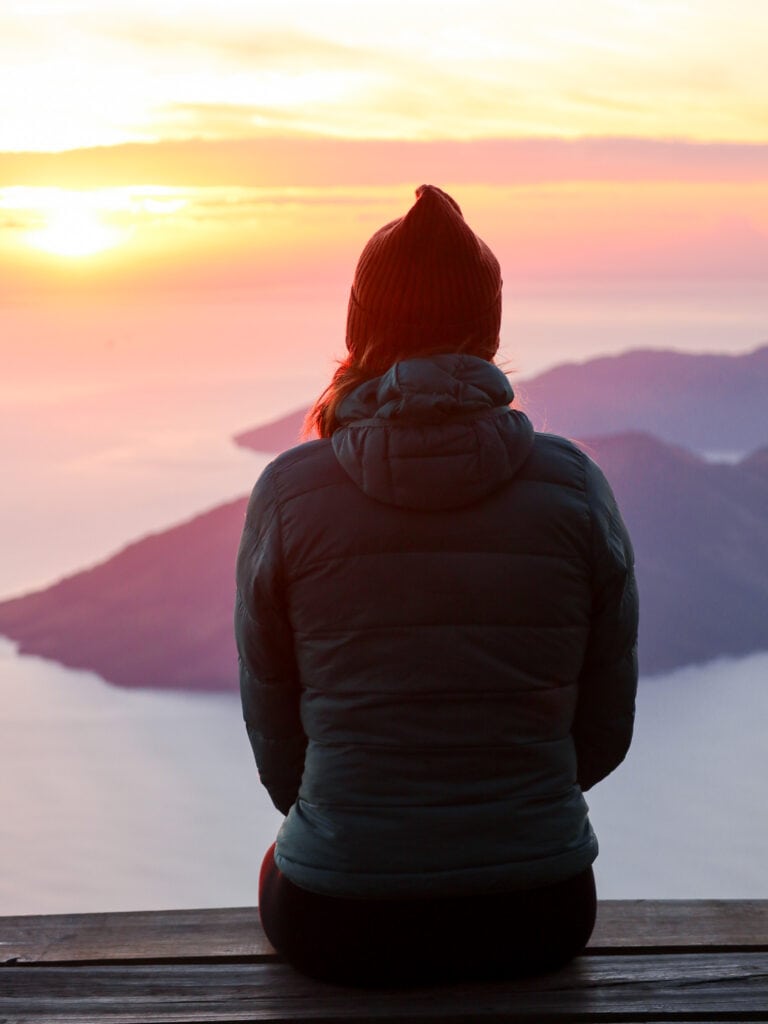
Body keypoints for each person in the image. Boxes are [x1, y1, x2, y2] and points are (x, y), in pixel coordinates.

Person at [235, 184, 638, 987]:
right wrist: (505, 817)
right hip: (541, 909)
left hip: (338, 919)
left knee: (277, 865)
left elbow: (277, 739)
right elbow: (603, 733)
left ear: (360, 326)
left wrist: (362, 834)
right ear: (487, 327)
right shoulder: (574, 486)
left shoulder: (287, 493)